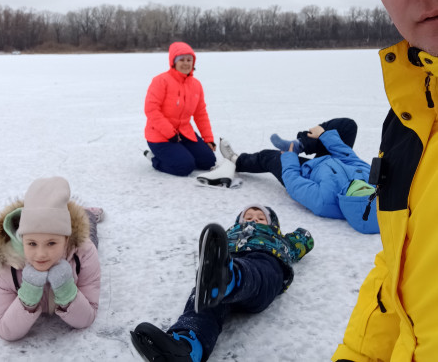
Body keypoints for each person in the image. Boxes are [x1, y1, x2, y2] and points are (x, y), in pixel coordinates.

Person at [332, 0, 438, 360]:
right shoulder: (406, 122)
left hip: (338, 179)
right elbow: (393, 275)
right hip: (344, 176)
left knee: (312, 159)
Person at [130, 204, 314, 361]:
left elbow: (303, 241)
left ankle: (228, 279)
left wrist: (302, 236)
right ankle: (186, 347)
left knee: (257, 272)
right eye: (247, 217)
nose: (253, 220)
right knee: (204, 304)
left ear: (274, 226)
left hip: (264, 264)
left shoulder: (278, 240)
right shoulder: (231, 233)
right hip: (230, 262)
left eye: (260, 218)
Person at [0, 176, 103, 341]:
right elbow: (4, 330)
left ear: (66, 240)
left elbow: (87, 317)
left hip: (78, 246)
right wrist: (28, 294)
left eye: (51, 243)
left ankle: (88, 214)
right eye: (32, 243)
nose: (41, 254)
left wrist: (66, 287)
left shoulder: (84, 253)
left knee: (91, 234)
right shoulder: (6, 266)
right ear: (22, 239)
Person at [219, 118, 379, 234]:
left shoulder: (324, 201)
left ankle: (237, 161)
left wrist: (290, 156)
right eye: (368, 189)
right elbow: (349, 157)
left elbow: (293, 181)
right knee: (346, 126)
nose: (361, 185)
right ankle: (300, 143)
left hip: (306, 171)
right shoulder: (371, 181)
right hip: (329, 162)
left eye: (358, 191)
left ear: (348, 200)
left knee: (268, 156)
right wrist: (324, 135)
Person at [144, 41, 216, 176]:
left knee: (208, 162)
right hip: (160, 136)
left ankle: (180, 151)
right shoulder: (161, 81)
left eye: (189, 60)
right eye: (181, 59)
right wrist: (170, 133)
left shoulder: (196, 85)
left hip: (184, 133)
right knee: (184, 167)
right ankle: (155, 159)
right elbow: (151, 110)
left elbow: (200, 114)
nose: (186, 63)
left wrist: (208, 139)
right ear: (173, 62)